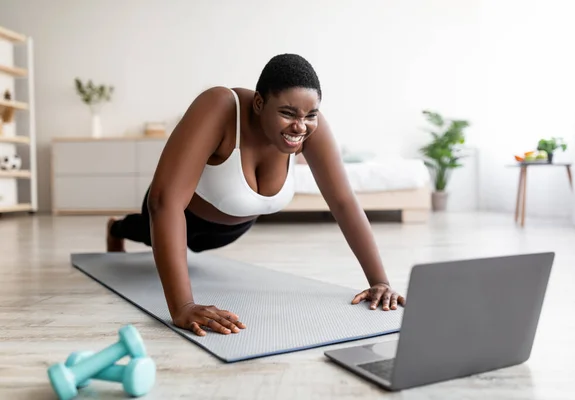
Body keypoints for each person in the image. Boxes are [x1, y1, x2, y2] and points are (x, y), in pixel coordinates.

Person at [107, 53, 405, 337]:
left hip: (231, 230)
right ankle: (117, 228)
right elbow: (165, 201)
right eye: (288, 113)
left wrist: (380, 281)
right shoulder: (220, 106)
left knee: (196, 249)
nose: (300, 126)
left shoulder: (310, 127)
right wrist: (183, 306)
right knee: (145, 233)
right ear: (260, 103)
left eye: (310, 114)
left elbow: (343, 201)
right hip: (177, 217)